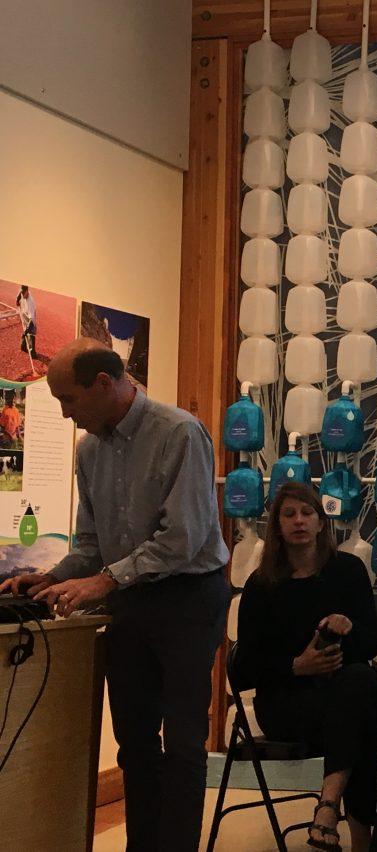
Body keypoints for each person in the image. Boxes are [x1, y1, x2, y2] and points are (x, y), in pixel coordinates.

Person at [0, 339, 230, 852]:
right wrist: (52, 577)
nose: (66, 415)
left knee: (186, 744)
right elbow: (90, 544)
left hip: (188, 599)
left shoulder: (179, 433)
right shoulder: (89, 451)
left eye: (69, 400)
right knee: (135, 745)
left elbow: (181, 539)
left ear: (104, 385)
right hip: (130, 601)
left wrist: (102, 581)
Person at [237, 481, 377, 852]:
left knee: (359, 688)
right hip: (286, 704)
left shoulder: (348, 571)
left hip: (340, 697)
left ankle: (328, 810)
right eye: (289, 514)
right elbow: (244, 669)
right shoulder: (261, 585)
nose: (299, 521)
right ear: (277, 526)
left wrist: (345, 631)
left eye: (307, 513)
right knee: (361, 713)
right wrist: (295, 666)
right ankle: (355, 834)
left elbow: (371, 644)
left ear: (322, 523)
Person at [17, 284, 36, 359]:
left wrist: (26, 331)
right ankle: (23, 346)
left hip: (30, 318)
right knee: (25, 331)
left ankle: (32, 353)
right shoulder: (22, 292)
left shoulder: (30, 302)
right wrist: (17, 299)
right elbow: (19, 293)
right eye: (21, 293)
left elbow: (31, 321)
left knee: (30, 333)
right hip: (24, 313)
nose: (22, 295)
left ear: (27, 292)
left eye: (23, 293)